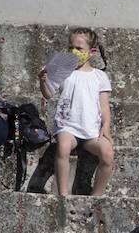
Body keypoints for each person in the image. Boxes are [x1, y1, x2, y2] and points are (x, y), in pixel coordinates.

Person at [40, 26, 114, 196]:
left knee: (108, 153)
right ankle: (63, 194)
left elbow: (104, 106)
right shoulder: (62, 70)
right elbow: (48, 93)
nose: (74, 52)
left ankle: (96, 196)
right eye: (71, 48)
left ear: (92, 51)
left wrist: (106, 126)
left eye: (79, 48)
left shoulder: (99, 76)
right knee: (63, 147)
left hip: (91, 131)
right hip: (68, 127)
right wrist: (43, 81)